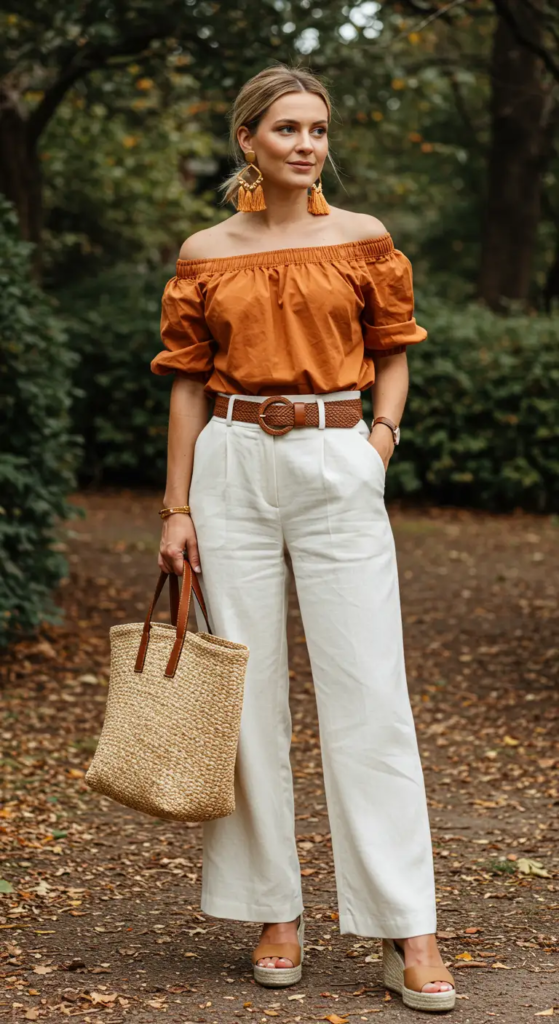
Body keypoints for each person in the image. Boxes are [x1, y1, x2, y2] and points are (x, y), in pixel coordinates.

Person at [151, 63, 456, 1013]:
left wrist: (377, 447)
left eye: (317, 129)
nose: (306, 144)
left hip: (337, 458)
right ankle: (272, 911)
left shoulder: (361, 238)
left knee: (371, 697)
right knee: (244, 699)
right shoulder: (205, 251)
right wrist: (176, 508)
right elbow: (187, 380)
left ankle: (408, 927)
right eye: (287, 128)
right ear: (248, 139)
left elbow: (393, 352)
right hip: (231, 464)